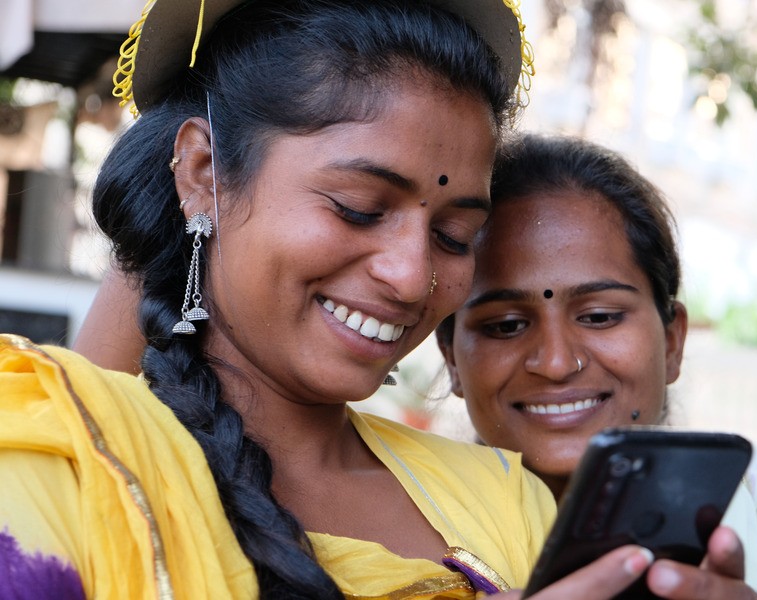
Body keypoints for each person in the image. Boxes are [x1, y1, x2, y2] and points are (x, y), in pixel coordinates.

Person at [0, 1, 677, 598]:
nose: (411, 278)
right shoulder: (53, 457)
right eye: (358, 209)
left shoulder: (504, 495)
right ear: (204, 174)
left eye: (453, 234)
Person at [436, 133, 757, 598]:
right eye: (506, 325)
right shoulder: (393, 561)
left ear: (673, 341)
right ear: (452, 357)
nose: (557, 363)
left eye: (599, 317)